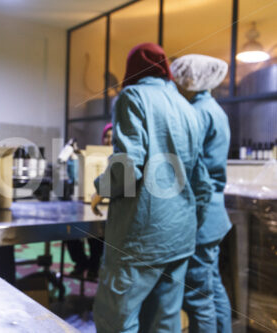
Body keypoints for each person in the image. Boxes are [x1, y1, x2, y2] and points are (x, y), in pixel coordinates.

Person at [91, 43, 212, 332]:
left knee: (116, 320)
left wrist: (101, 188)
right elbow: (202, 183)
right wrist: (191, 224)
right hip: (179, 238)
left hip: (140, 237)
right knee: (164, 323)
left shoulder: (132, 96)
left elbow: (127, 166)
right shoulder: (189, 108)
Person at [171, 54, 232, 333]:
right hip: (216, 215)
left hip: (203, 215)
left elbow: (192, 168)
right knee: (212, 284)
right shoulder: (214, 108)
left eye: (179, 78)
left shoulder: (197, 112)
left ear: (192, 80)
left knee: (197, 296)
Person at [67, 123, 112, 280]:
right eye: (106, 136)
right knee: (68, 230)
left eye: (112, 137)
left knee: (97, 235)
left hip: (110, 208)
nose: (108, 140)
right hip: (89, 202)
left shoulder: (119, 158)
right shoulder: (94, 156)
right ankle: (81, 262)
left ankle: (94, 266)